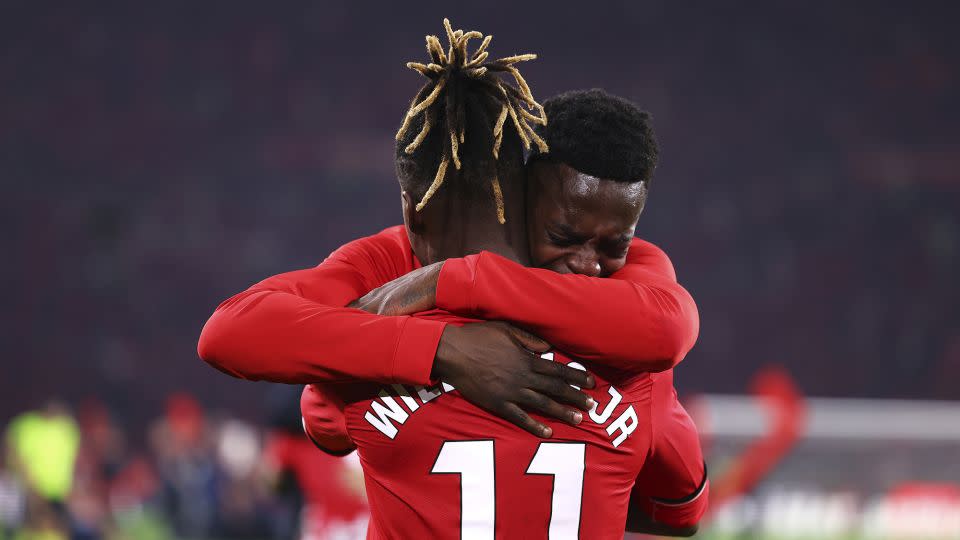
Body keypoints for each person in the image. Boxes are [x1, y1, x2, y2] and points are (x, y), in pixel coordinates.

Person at [199, 19, 705, 536]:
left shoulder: (389, 285)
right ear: (527, 197)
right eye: (566, 234)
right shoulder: (631, 355)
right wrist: (445, 348)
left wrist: (448, 288)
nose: (588, 264)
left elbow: (322, 421)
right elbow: (681, 506)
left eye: (612, 246)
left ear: (412, 211)